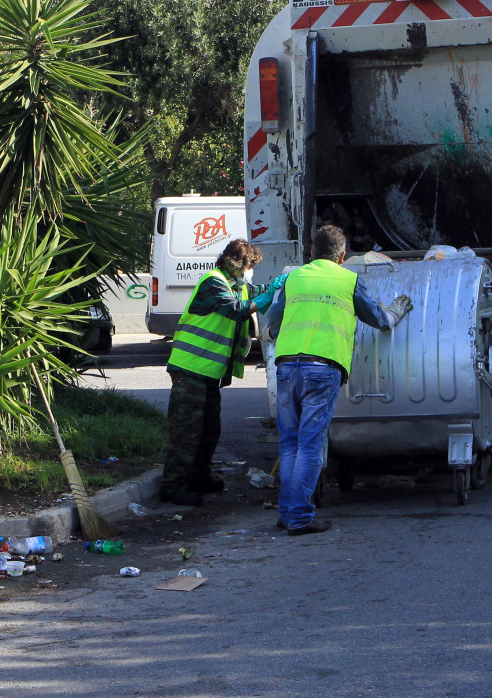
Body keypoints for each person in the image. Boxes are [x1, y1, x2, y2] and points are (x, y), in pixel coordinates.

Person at [266, 226, 412, 535]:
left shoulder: (294, 278)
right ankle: (300, 517)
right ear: (343, 256)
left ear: (311, 253)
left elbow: (273, 320)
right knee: (309, 445)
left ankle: (288, 512)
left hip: (286, 366)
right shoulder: (348, 280)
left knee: (290, 443)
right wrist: (396, 311)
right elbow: (380, 319)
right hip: (322, 368)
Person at [162, 239, 284, 507]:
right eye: (249, 266)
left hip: (207, 373)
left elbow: (251, 292)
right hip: (190, 368)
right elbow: (234, 310)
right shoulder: (214, 281)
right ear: (237, 262)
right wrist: (264, 297)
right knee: (187, 431)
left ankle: (199, 477)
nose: (250, 272)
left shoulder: (233, 285)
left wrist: (274, 287)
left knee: (209, 430)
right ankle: (173, 486)